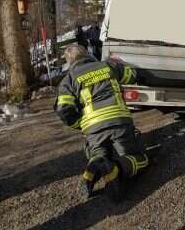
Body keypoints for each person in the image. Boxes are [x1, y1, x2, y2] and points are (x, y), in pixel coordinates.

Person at [54, 44, 148, 201]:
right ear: (87, 54)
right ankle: (116, 169)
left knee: (99, 153)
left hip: (93, 129)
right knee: (139, 158)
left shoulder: (68, 81)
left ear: (70, 62)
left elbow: (64, 109)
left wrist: (80, 123)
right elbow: (131, 74)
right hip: (119, 121)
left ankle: (92, 170)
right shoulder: (107, 65)